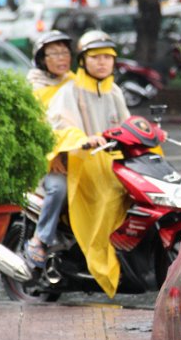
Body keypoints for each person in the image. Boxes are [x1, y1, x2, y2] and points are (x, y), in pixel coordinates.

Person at [46, 30, 131, 297]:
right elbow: (57, 125)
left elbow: (128, 125)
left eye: (108, 57)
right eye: (96, 57)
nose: (103, 62)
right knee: (108, 200)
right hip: (82, 166)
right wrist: (81, 140)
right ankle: (99, 262)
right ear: (83, 60)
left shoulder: (114, 90)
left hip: (112, 163)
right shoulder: (69, 92)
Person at [24, 30, 75, 267]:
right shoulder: (35, 88)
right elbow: (36, 128)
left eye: (64, 52)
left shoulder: (75, 82)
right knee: (58, 188)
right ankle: (40, 239)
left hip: (77, 154)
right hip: (48, 162)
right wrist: (52, 155)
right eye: (53, 53)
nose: (61, 58)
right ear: (42, 59)